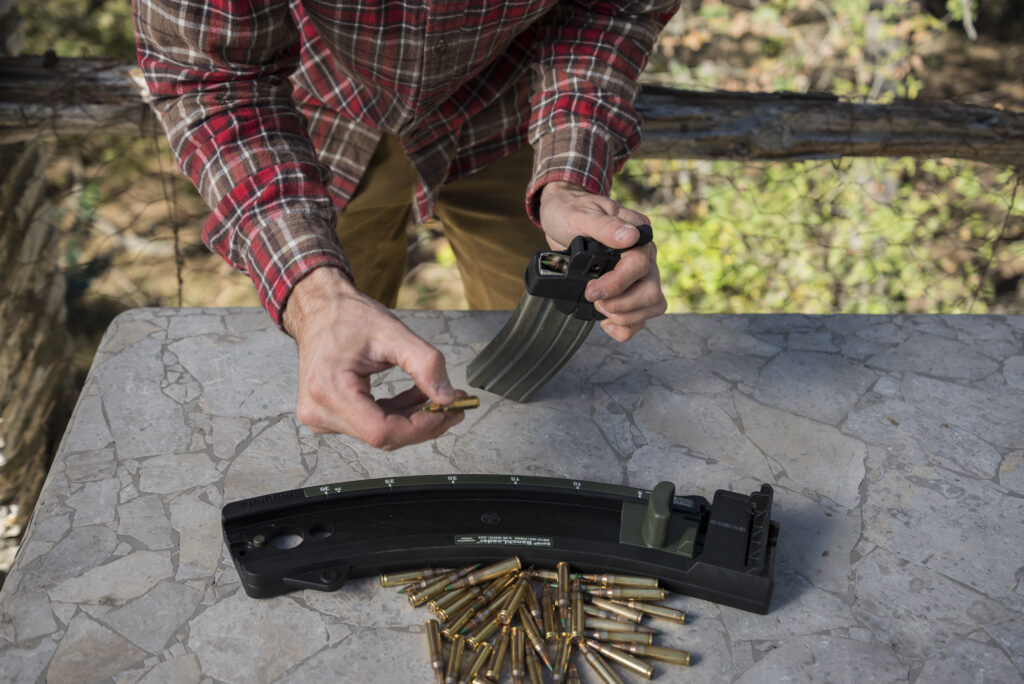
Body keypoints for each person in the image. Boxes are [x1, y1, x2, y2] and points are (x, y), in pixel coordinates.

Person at [134, 0, 677, 450]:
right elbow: (210, 78)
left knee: (535, 374)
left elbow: (612, 12)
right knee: (333, 380)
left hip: (514, 123)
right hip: (318, 130)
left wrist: (570, 177)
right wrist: (314, 297)